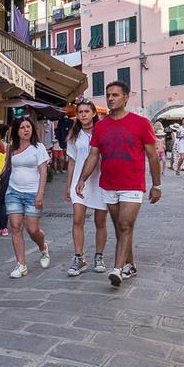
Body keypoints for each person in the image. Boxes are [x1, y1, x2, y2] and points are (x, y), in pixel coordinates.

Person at [74, 80, 161, 286]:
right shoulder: (101, 126)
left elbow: (153, 156)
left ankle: (118, 269)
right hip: (108, 185)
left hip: (132, 185)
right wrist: (82, 179)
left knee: (124, 225)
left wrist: (156, 185)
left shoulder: (141, 123)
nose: (111, 98)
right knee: (120, 228)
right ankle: (130, 264)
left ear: (126, 97)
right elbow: (93, 155)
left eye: (115, 95)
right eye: (108, 95)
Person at [0, 116, 51, 278]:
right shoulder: (12, 147)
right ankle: (21, 265)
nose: (26, 130)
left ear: (32, 129)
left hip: (33, 192)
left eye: (28, 127)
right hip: (13, 192)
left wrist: (40, 194)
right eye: (22, 128)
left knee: (33, 229)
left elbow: (43, 172)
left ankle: (43, 247)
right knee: (16, 227)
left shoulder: (38, 148)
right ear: (17, 131)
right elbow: (6, 168)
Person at [63, 100, 108, 276]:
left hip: (99, 181)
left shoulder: (103, 132)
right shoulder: (74, 135)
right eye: (80, 112)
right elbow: (72, 162)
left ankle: (99, 256)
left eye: (86, 111)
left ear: (94, 113)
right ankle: (79, 257)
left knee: (100, 221)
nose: (83, 115)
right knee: (77, 219)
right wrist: (69, 186)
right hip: (79, 182)